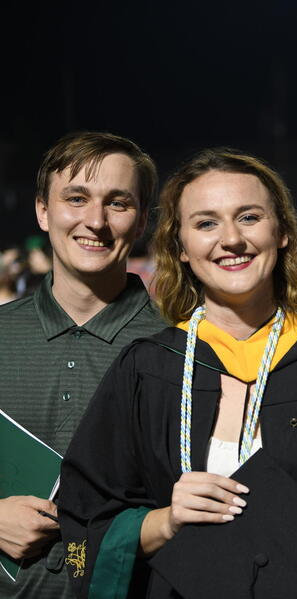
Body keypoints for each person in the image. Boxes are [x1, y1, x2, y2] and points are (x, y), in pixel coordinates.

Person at [57, 149, 297, 598]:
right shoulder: (147, 371)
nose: (231, 240)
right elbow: (85, 519)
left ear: (280, 232)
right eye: (206, 224)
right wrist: (162, 522)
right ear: (180, 247)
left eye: (249, 217)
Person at [0, 132, 164, 598]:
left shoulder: (180, 347)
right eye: (76, 198)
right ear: (42, 211)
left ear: (142, 221)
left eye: (118, 203)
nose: (95, 221)